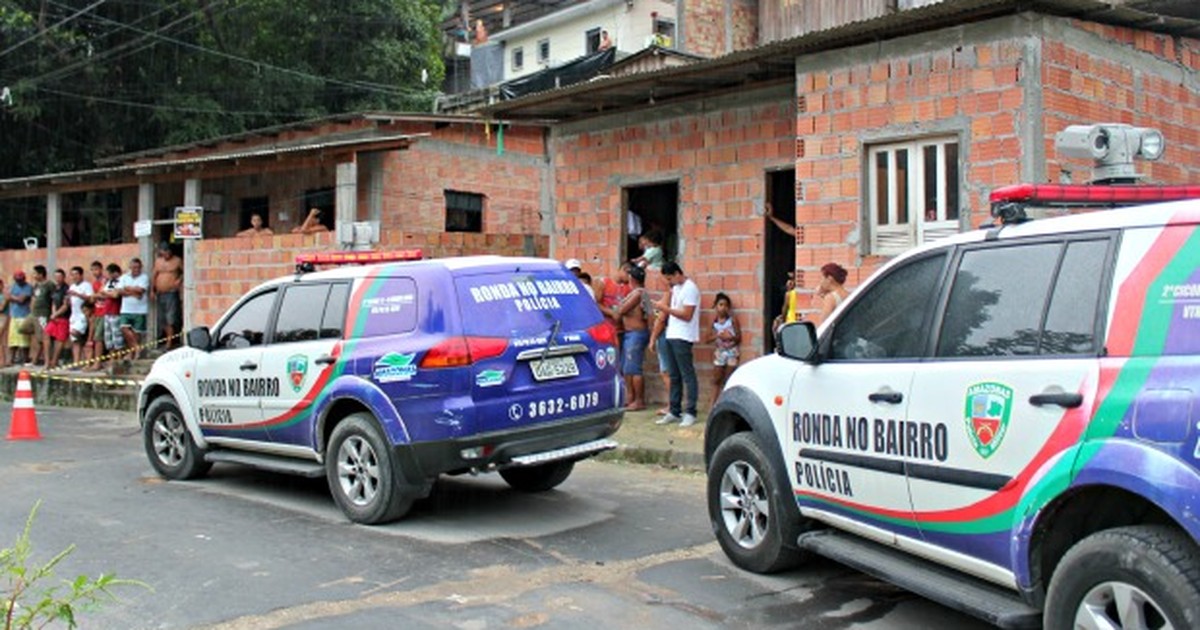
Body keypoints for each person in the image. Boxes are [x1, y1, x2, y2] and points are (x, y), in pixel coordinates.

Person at [654, 261, 700, 427]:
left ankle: (691, 412)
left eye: (669, 278)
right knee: (674, 375)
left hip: (683, 336)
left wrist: (664, 309)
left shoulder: (690, 289)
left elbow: (687, 315)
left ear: (677, 274)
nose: (669, 282)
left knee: (687, 375)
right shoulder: (675, 288)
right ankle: (674, 410)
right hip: (672, 334)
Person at [612, 264, 651, 410]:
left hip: (636, 333)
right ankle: (630, 397)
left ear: (632, 279)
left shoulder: (638, 294)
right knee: (627, 367)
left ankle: (639, 400)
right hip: (632, 334)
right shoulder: (639, 293)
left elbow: (621, 310)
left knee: (634, 368)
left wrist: (614, 309)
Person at [704, 292, 740, 407]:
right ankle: (712, 405)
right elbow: (706, 339)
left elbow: (739, 337)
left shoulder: (732, 321)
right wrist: (718, 336)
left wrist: (730, 337)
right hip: (720, 352)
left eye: (725, 305)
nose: (723, 308)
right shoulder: (713, 322)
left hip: (731, 352)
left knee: (729, 379)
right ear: (715, 306)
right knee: (716, 379)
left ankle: (727, 403)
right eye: (720, 305)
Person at [153, 242, 183, 351]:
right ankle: (166, 339)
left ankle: (170, 342)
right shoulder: (158, 261)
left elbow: (185, 271)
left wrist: (179, 279)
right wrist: (152, 290)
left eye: (167, 252)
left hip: (171, 292)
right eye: (163, 252)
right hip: (160, 293)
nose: (165, 254)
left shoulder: (177, 261)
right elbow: (154, 275)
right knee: (162, 319)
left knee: (171, 318)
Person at [118, 257, 150, 359]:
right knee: (124, 328)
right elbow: (119, 291)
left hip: (140, 309)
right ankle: (136, 348)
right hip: (126, 309)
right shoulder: (124, 277)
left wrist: (128, 288)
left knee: (137, 332)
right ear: (130, 267)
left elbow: (141, 291)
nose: (136, 269)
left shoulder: (144, 277)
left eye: (138, 267)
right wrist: (134, 293)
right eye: (134, 267)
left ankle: (133, 353)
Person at [65, 266, 94, 366]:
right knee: (74, 340)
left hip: (83, 314)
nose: (74, 277)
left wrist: (77, 294)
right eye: (72, 275)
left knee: (76, 333)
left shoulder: (86, 285)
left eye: (76, 274)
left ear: (81, 275)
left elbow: (90, 298)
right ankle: (76, 362)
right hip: (74, 315)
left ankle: (86, 345)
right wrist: (67, 301)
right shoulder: (72, 286)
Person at [99, 263, 124, 372]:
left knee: (117, 337)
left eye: (109, 273)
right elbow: (100, 293)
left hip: (115, 312)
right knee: (108, 338)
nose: (107, 276)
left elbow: (115, 295)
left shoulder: (120, 281)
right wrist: (107, 292)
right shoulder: (108, 283)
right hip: (107, 312)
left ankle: (119, 359)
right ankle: (111, 359)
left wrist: (106, 293)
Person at [27, 265, 54, 367]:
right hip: (35, 314)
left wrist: (52, 313)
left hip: (43, 314)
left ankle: (47, 361)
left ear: (41, 274)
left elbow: (54, 299)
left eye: (35, 273)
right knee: (26, 330)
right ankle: (35, 359)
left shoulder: (49, 285)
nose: (33, 275)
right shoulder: (36, 285)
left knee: (44, 337)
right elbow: (34, 298)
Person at [44, 268, 70, 370]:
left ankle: (54, 361)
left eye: (60, 276)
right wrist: (53, 313)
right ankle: (47, 361)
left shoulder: (66, 289)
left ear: (64, 277)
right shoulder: (55, 289)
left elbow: (65, 305)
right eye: (56, 277)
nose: (58, 278)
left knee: (60, 340)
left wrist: (56, 314)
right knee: (46, 334)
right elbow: (54, 302)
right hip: (55, 317)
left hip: (64, 317)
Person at [811, 262, 850, 326]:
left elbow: (823, 323)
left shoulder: (830, 298)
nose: (821, 282)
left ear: (829, 279)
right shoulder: (847, 294)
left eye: (822, 278)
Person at [7, 271, 32, 365]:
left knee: (24, 339)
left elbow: (21, 300)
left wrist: (12, 297)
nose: (19, 282)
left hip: (24, 315)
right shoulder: (14, 286)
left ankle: (26, 359)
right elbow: (7, 297)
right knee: (12, 339)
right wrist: (15, 298)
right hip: (14, 315)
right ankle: (11, 360)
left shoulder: (28, 287)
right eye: (17, 280)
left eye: (20, 280)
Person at [86, 260, 106, 363]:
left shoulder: (105, 281)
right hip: (97, 312)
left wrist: (94, 295)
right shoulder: (94, 283)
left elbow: (104, 294)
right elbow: (92, 299)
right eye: (93, 270)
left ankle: (98, 363)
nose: (95, 272)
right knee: (94, 338)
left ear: (101, 270)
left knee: (98, 338)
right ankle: (93, 362)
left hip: (105, 312)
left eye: (96, 269)